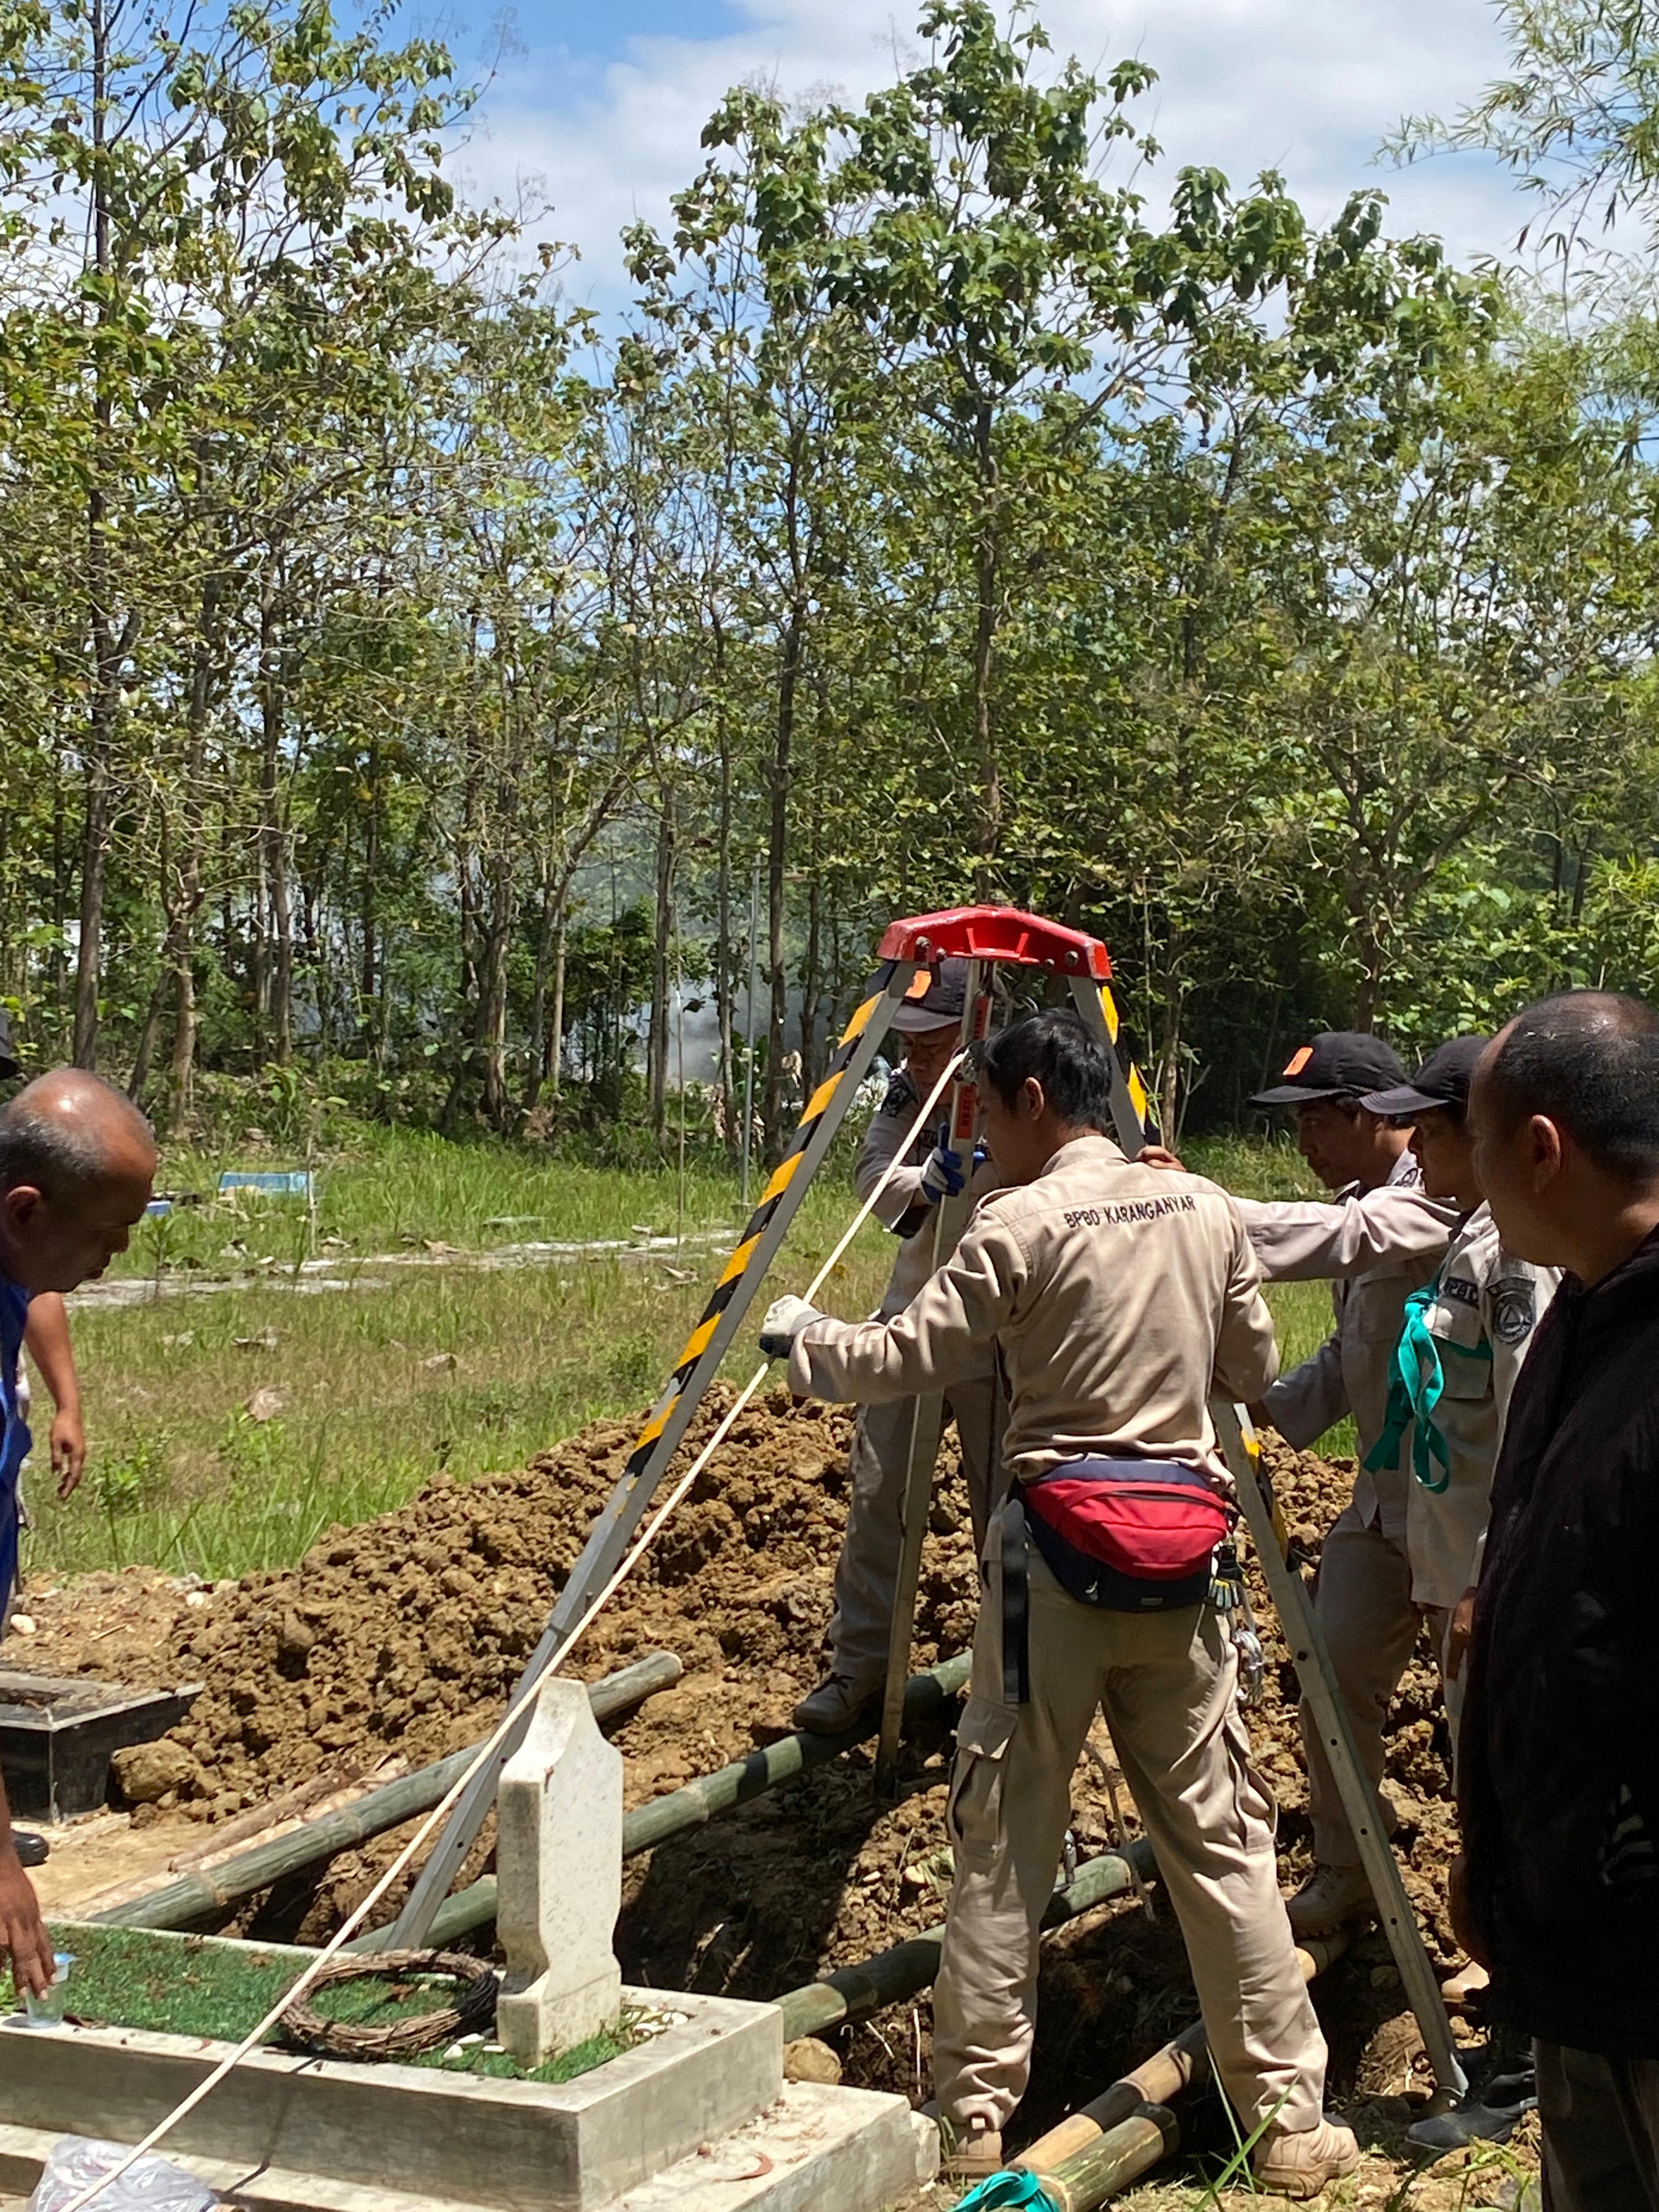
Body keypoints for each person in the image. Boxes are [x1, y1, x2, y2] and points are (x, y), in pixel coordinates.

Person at [762, 1011, 1357, 2198]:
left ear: (1035, 1098)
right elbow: (1246, 1371)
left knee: (1002, 1847)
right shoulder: (1203, 1207)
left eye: (984, 1107)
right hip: (1186, 1567)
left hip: (1049, 1569)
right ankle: (1289, 2122)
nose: (975, 1132)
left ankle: (971, 2119)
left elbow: (907, 1355)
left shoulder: (1016, 1222)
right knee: (1222, 1843)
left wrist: (801, 1340)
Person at [1455, 991, 1659, 2212]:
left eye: (1476, 1146)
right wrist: (1498, 1857)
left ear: (1542, 1148)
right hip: (1576, 1931)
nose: (1470, 1179)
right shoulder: (1581, 1315)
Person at [1227, 1034, 1459, 1937]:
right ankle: (1344, 1865)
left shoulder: (1442, 1199)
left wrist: (1199, 1211)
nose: (1305, 1145)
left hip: (1465, 1510)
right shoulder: (1369, 1196)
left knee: (1479, 1714)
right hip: (1382, 1499)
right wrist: (1272, 1412)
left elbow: (1342, 1243)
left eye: (1317, 1121)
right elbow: (1352, 1345)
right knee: (1332, 1672)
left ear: (1372, 1115)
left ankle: (1498, 1908)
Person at [791, 958, 1000, 1734]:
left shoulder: (1020, 1084)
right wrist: (926, 1179)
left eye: (931, 1039)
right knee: (879, 1491)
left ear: (971, 1030)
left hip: (997, 1332)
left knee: (1004, 1508)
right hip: (914, 1316)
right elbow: (873, 1175)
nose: (914, 1055)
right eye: (907, 1041)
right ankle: (862, 1668)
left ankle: (1012, 1676)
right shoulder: (909, 1094)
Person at [0, 1069, 158, 1997]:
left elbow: (40, 1293)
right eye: (106, 1233)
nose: (117, 1256)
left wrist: (66, 1399)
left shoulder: (13, 1260)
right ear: (26, 1211)